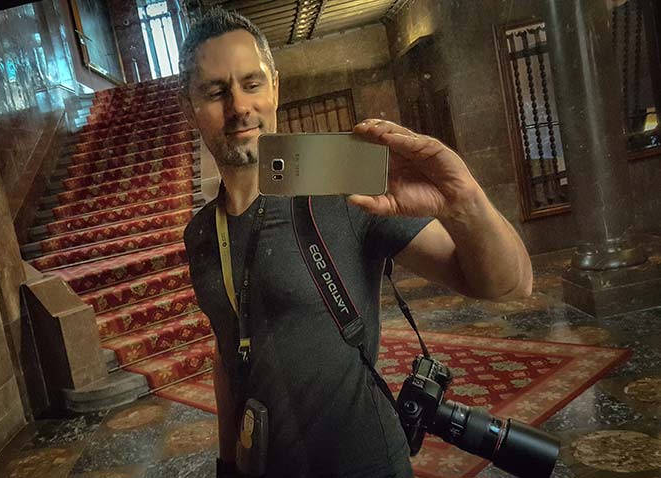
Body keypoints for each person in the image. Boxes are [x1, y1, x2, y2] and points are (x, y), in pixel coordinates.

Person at [178, 8, 533, 478]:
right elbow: (228, 353)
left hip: (366, 463)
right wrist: (227, 464)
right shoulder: (202, 234)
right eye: (215, 92)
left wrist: (462, 201)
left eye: (252, 83)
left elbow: (510, 284)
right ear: (189, 107)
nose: (239, 106)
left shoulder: (342, 190)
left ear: (275, 87)